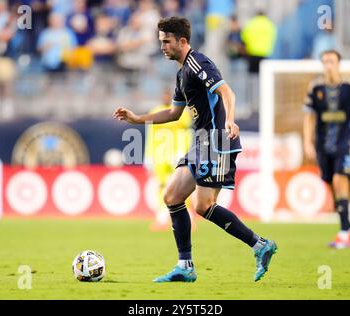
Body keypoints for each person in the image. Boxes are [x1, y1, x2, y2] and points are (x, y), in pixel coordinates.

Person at [113, 17, 277, 283]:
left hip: (216, 140)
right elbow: (174, 113)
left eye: (166, 41)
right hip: (201, 142)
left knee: (202, 205)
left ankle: (259, 244)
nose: (163, 46)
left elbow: (227, 93)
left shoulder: (198, 63)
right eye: (160, 41)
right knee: (172, 197)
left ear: (182, 41)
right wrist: (136, 119)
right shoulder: (181, 74)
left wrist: (230, 119)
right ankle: (185, 266)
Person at [303, 49, 350, 249]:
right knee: (331, 183)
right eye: (325, 61)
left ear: (338, 63)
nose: (328, 65)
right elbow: (309, 116)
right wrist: (307, 143)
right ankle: (349, 228)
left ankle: (344, 233)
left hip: (345, 142)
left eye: (332, 61)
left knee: (339, 179)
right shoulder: (315, 87)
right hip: (322, 144)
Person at [144, 89, 193, 231]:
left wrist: (184, 153)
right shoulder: (155, 111)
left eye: (168, 96)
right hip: (160, 156)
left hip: (176, 155)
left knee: (182, 186)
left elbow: (187, 133)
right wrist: (148, 156)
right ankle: (161, 219)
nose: (166, 98)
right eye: (164, 96)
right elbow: (150, 136)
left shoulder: (182, 113)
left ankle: (188, 218)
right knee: (162, 186)